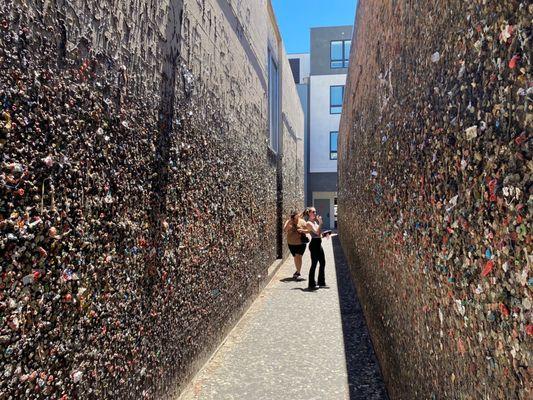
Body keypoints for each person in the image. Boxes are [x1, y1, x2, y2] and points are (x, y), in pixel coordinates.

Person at [302, 207, 326, 290]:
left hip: (318, 243)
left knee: (322, 262)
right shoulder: (309, 223)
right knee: (314, 264)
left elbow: (319, 233)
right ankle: (311, 284)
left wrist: (324, 234)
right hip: (314, 245)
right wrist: (320, 223)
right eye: (313, 211)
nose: (315, 213)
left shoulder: (315, 222)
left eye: (315, 211)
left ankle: (321, 282)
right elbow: (316, 232)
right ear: (309, 213)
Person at [283, 210, 308, 280]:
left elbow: (309, 230)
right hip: (291, 243)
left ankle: (298, 272)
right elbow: (285, 230)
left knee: (298, 257)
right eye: (292, 215)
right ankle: (298, 271)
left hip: (301, 243)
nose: (293, 217)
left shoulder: (302, 221)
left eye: (295, 215)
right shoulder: (288, 222)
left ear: (297, 215)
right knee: (296, 256)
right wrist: (289, 223)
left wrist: (303, 231)